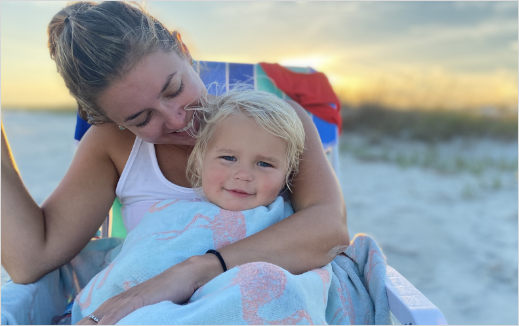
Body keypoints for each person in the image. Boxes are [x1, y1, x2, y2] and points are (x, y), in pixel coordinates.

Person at [1, 2, 349, 324]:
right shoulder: (112, 144)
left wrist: (193, 271)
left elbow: (329, 227)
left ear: (183, 49)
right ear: (109, 119)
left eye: (173, 89)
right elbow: (32, 258)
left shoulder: (271, 126)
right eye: (141, 118)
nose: (177, 119)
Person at [73, 89, 332, 325]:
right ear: (199, 163)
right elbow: (137, 265)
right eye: (228, 158)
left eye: (264, 164)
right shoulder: (167, 216)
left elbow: (300, 282)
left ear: (288, 175)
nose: (243, 175)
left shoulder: (289, 225)